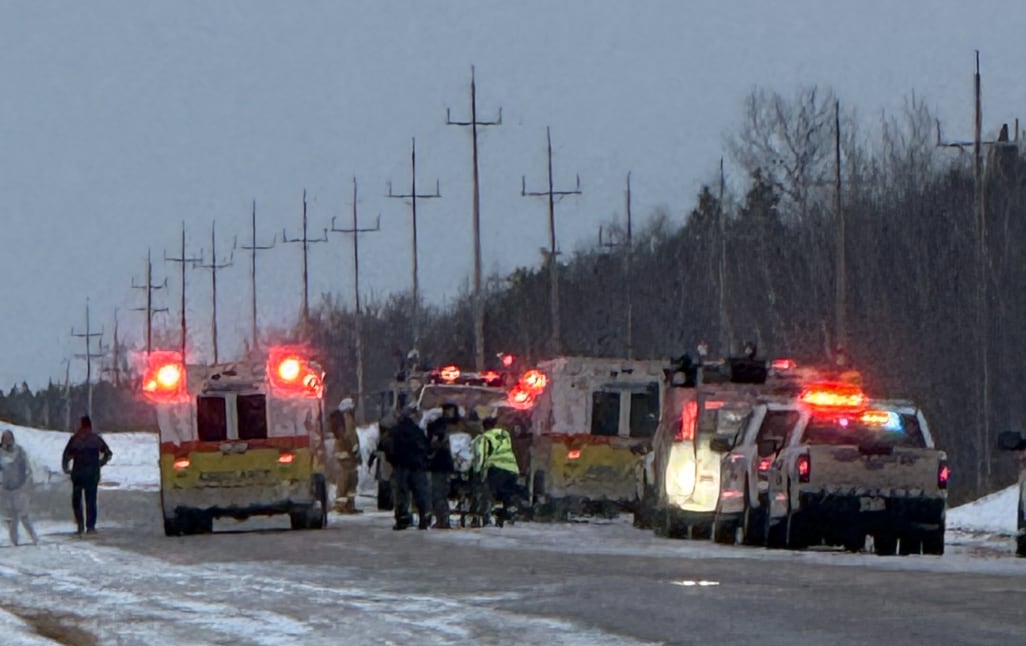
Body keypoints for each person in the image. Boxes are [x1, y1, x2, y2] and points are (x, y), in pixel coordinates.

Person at [61, 416, 113, 535]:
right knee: (91, 500)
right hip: (92, 474)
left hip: (78, 474)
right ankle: (90, 526)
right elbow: (108, 453)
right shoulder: (96, 439)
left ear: (81, 425)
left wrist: (66, 468)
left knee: (77, 500)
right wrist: (100, 463)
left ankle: (80, 525)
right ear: (90, 425)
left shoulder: (75, 439)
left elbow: (66, 455)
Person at [384, 406, 431, 530]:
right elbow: (426, 447)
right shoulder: (417, 431)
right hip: (417, 466)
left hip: (401, 467)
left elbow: (389, 448)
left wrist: (393, 461)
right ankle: (423, 518)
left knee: (401, 494)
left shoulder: (395, 431)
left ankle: (402, 519)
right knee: (420, 492)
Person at [471, 417, 521, 527]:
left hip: (496, 468)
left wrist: (478, 472)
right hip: (512, 468)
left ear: (484, 427)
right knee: (506, 493)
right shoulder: (504, 434)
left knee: (492, 493)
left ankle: (492, 515)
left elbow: (482, 456)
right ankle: (507, 512)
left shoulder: (485, 437)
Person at [0, 430, 38, 546]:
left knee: (23, 514)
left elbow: (27, 468)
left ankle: (34, 537)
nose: (7, 441)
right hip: (6, 489)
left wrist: (27, 482)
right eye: (5, 439)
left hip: (20, 488)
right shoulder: (0, 453)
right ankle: (14, 540)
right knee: (12, 517)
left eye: (9, 438)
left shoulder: (20, 452)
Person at [426, 403, 458, 529]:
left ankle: (442, 519)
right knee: (439, 492)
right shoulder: (456, 426)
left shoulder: (439, 426)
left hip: (441, 464)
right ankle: (442, 518)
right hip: (445, 464)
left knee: (438, 492)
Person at [328, 398, 362, 514]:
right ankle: (343, 506)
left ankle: (347, 505)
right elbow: (350, 436)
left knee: (347, 481)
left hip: (343, 456)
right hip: (348, 457)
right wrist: (355, 450)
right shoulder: (347, 420)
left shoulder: (340, 420)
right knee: (348, 481)